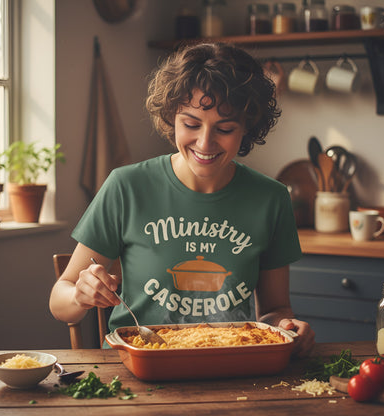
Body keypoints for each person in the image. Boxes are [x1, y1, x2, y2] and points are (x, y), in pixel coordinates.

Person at [49, 42, 315, 357]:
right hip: (135, 362)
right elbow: (59, 302)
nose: (205, 142)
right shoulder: (127, 187)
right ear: (171, 117)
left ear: (246, 127)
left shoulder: (271, 199)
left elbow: (274, 310)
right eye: (190, 124)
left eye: (225, 128)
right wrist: (80, 294)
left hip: (230, 363)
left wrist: (287, 326)